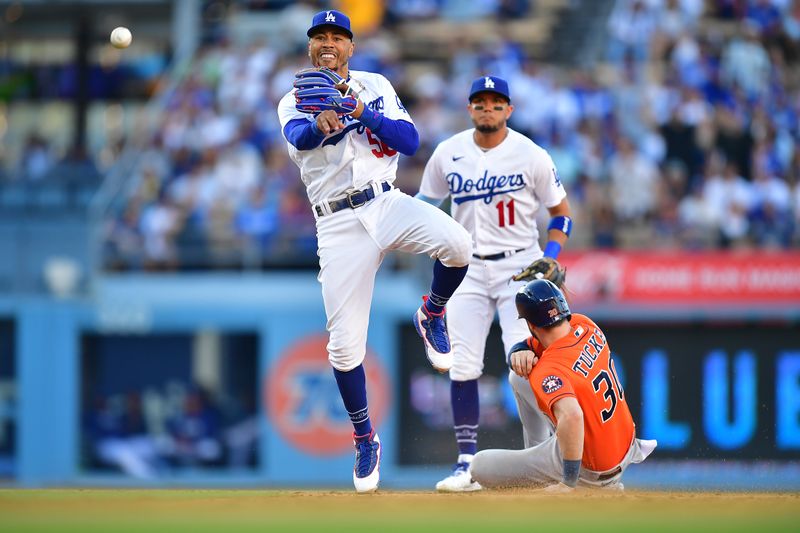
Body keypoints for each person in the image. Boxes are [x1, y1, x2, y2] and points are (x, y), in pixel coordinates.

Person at [276, 10, 472, 493]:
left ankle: (431, 313)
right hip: (339, 222)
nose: (327, 43)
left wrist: (360, 110)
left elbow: (410, 139)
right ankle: (365, 437)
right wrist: (322, 123)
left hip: (385, 201)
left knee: (459, 245)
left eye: (336, 37)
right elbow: (300, 137)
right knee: (344, 346)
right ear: (309, 48)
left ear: (350, 46)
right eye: (319, 37)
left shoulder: (375, 84)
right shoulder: (294, 99)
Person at [416, 75, 572, 491]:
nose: (488, 108)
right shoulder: (447, 153)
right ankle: (466, 464)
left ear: (509, 109)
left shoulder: (530, 154)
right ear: (470, 108)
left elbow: (562, 214)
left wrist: (549, 258)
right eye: (481, 102)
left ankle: (546, 455)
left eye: (496, 101)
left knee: (524, 363)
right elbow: (423, 209)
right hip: (465, 266)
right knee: (462, 364)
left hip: (519, 267)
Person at [468, 279, 657, 490]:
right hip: (624, 443)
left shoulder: (548, 369)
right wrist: (517, 350)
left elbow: (572, 416)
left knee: (479, 465)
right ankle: (540, 453)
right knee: (518, 378)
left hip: (592, 468)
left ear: (530, 324)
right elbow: (533, 344)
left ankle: (584, 485)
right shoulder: (585, 324)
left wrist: (568, 482)